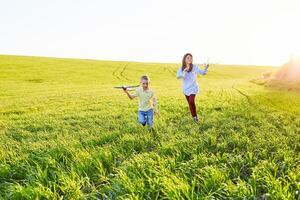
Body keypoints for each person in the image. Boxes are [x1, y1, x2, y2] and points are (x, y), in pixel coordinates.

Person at [176, 53, 209, 123]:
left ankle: (195, 117)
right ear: (184, 59)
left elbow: (202, 73)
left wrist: (206, 68)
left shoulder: (194, 67)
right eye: (188, 58)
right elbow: (177, 76)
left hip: (193, 87)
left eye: (191, 58)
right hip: (186, 89)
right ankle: (194, 117)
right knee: (190, 104)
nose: (190, 59)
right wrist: (184, 71)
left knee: (191, 101)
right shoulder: (182, 68)